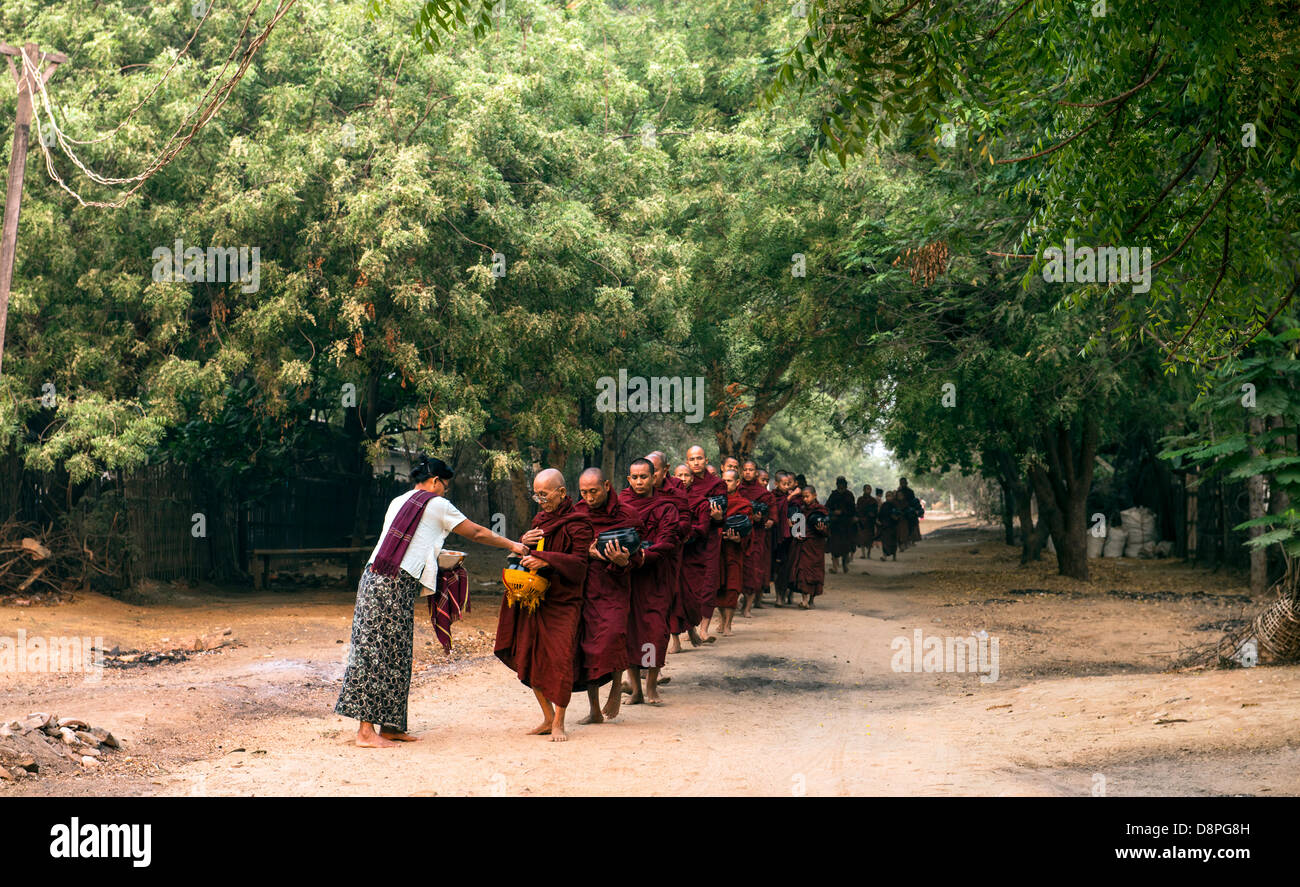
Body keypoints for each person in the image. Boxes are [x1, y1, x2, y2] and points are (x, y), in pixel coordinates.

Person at [336, 456, 527, 748]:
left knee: (396, 653)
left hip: (377, 578)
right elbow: (475, 532)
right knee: (377, 654)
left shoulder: (399, 501)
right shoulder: (436, 504)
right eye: (445, 486)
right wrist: (512, 544)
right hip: (391, 582)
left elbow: (414, 545)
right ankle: (365, 732)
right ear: (436, 481)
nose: (445, 492)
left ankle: (391, 726)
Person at [494, 469, 593, 742]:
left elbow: (580, 565)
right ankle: (548, 717)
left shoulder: (579, 523)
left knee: (561, 658)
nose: (540, 500)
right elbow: (530, 552)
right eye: (536, 494)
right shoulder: (541, 519)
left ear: (562, 492)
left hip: (564, 600)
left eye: (545, 494)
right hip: (536, 598)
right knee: (531, 655)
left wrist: (547, 560)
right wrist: (523, 544)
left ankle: (560, 722)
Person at [573, 467, 642, 725]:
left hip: (616, 585)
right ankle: (593, 709)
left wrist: (624, 561)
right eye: (584, 492)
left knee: (613, 637)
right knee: (587, 646)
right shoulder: (577, 514)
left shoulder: (627, 514)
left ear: (607, 486)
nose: (589, 498)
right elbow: (569, 549)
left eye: (594, 491)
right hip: (586, 587)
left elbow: (638, 553)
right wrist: (587, 554)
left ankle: (614, 689)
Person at [619, 458, 679, 705]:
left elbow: (669, 540)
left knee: (654, 630)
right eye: (634, 477)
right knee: (630, 631)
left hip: (655, 576)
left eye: (644, 476)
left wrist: (644, 554)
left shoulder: (666, 506)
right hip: (628, 577)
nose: (639, 481)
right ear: (628, 479)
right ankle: (636, 690)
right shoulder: (621, 504)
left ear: (654, 477)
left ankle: (651, 685)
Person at [682, 445, 726, 642]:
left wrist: (717, 516)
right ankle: (690, 625)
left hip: (709, 540)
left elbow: (721, 511)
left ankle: (704, 629)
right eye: (692, 459)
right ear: (687, 461)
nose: (696, 462)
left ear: (706, 460)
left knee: (708, 581)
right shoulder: (681, 484)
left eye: (699, 458)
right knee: (689, 583)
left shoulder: (717, 484)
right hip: (689, 541)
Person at [713, 467, 753, 637]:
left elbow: (749, 529)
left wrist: (739, 539)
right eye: (723, 480)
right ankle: (722, 619)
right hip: (718, 550)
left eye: (729, 480)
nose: (725, 484)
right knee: (718, 588)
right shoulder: (715, 502)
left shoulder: (744, 504)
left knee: (732, 587)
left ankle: (729, 623)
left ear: (737, 483)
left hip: (734, 551)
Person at [738, 459, 774, 615]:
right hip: (738, 537)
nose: (747, 472)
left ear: (756, 473)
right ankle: (738, 603)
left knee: (752, 571)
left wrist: (765, 520)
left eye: (751, 470)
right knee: (737, 571)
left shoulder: (764, 494)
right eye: (745, 469)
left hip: (756, 537)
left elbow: (771, 516)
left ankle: (748, 607)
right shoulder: (736, 489)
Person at [793, 484, 828, 608]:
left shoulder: (821, 510)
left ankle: (812, 599)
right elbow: (797, 527)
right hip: (804, 545)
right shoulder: (801, 510)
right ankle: (804, 600)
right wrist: (797, 534)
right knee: (803, 571)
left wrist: (822, 529)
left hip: (816, 546)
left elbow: (827, 531)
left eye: (807, 496)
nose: (805, 499)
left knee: (816, 572)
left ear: (815, 495)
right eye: (803, 497)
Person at [825, 476, 857, 574]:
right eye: (839, 484)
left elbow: (852, 509)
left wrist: (843, 512)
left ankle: (844, 565)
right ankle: (835, 567)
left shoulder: (849, 495)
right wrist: (834, 512)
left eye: (843, 484)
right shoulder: (833, 495)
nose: (841, 486)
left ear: (845, 485)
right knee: (834, 547)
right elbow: (827, 507)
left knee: (845, 547)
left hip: (846, 524)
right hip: (835, 525)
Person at [856, 484, 879, 560]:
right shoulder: (860, 499)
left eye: (869, 489)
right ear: (864, 490)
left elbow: (876, 511)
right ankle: (863, 554)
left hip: (870, 522)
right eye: (867, 489)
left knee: (870, 538)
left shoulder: (873, 501)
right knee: (862, 538)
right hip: (862, 521)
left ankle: (868, 553)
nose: (868, 491)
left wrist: (873, 515)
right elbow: (858, 509)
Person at [878, 490, 902, 561]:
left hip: (893, 526)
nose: (888, 498)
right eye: (887, 496)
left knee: (893, 542)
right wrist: (879, 521)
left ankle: (894, 556)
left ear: (892, 497)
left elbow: (899, 514)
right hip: (885, 526)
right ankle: (884, 556)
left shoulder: (895, 505)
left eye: (889, 496)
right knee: (884, 541)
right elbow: (880, 514)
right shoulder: (884, 505)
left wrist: (896, 518)